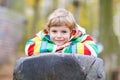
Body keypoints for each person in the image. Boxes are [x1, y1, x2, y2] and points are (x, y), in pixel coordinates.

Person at [25, 8, 98, 57]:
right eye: (54, 31)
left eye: (64, 32)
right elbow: (28, 48)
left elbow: (93, 51)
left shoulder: (80, 37)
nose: (59, 35)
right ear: (48, 31)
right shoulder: (43, 35)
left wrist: (65, 50)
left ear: (72, 32)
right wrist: (55, 48)